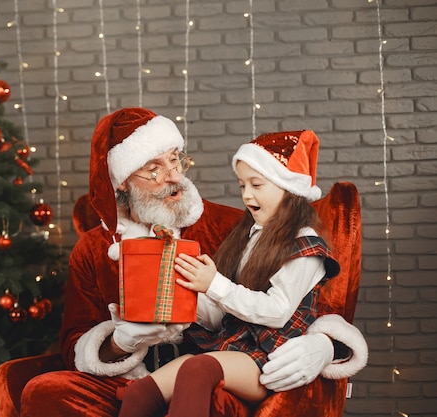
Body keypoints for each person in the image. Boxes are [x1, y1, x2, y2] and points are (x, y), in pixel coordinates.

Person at [20, 108, 368, 417]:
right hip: (135, 378)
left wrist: (324, 345)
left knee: (205, 387)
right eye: (154, 169)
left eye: (175, 160)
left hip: (224, 370)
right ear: (123, 179)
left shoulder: (234, 225)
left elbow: (301, 302)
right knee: (46, 390)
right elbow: (73, 341)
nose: (172, 176)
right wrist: (119, 342)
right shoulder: (94, 248)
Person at [117, 130, 344, 417]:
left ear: (288, 188)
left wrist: (214, 285)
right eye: (242, 185)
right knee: (141, 391)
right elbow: (221, 318)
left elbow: (276, 312)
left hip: (267, 355)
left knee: (198, 368)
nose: (247, 195)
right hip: (233, 346)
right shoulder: (249, 236)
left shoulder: (305, 243)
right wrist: (188, 290)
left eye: (257, 185)